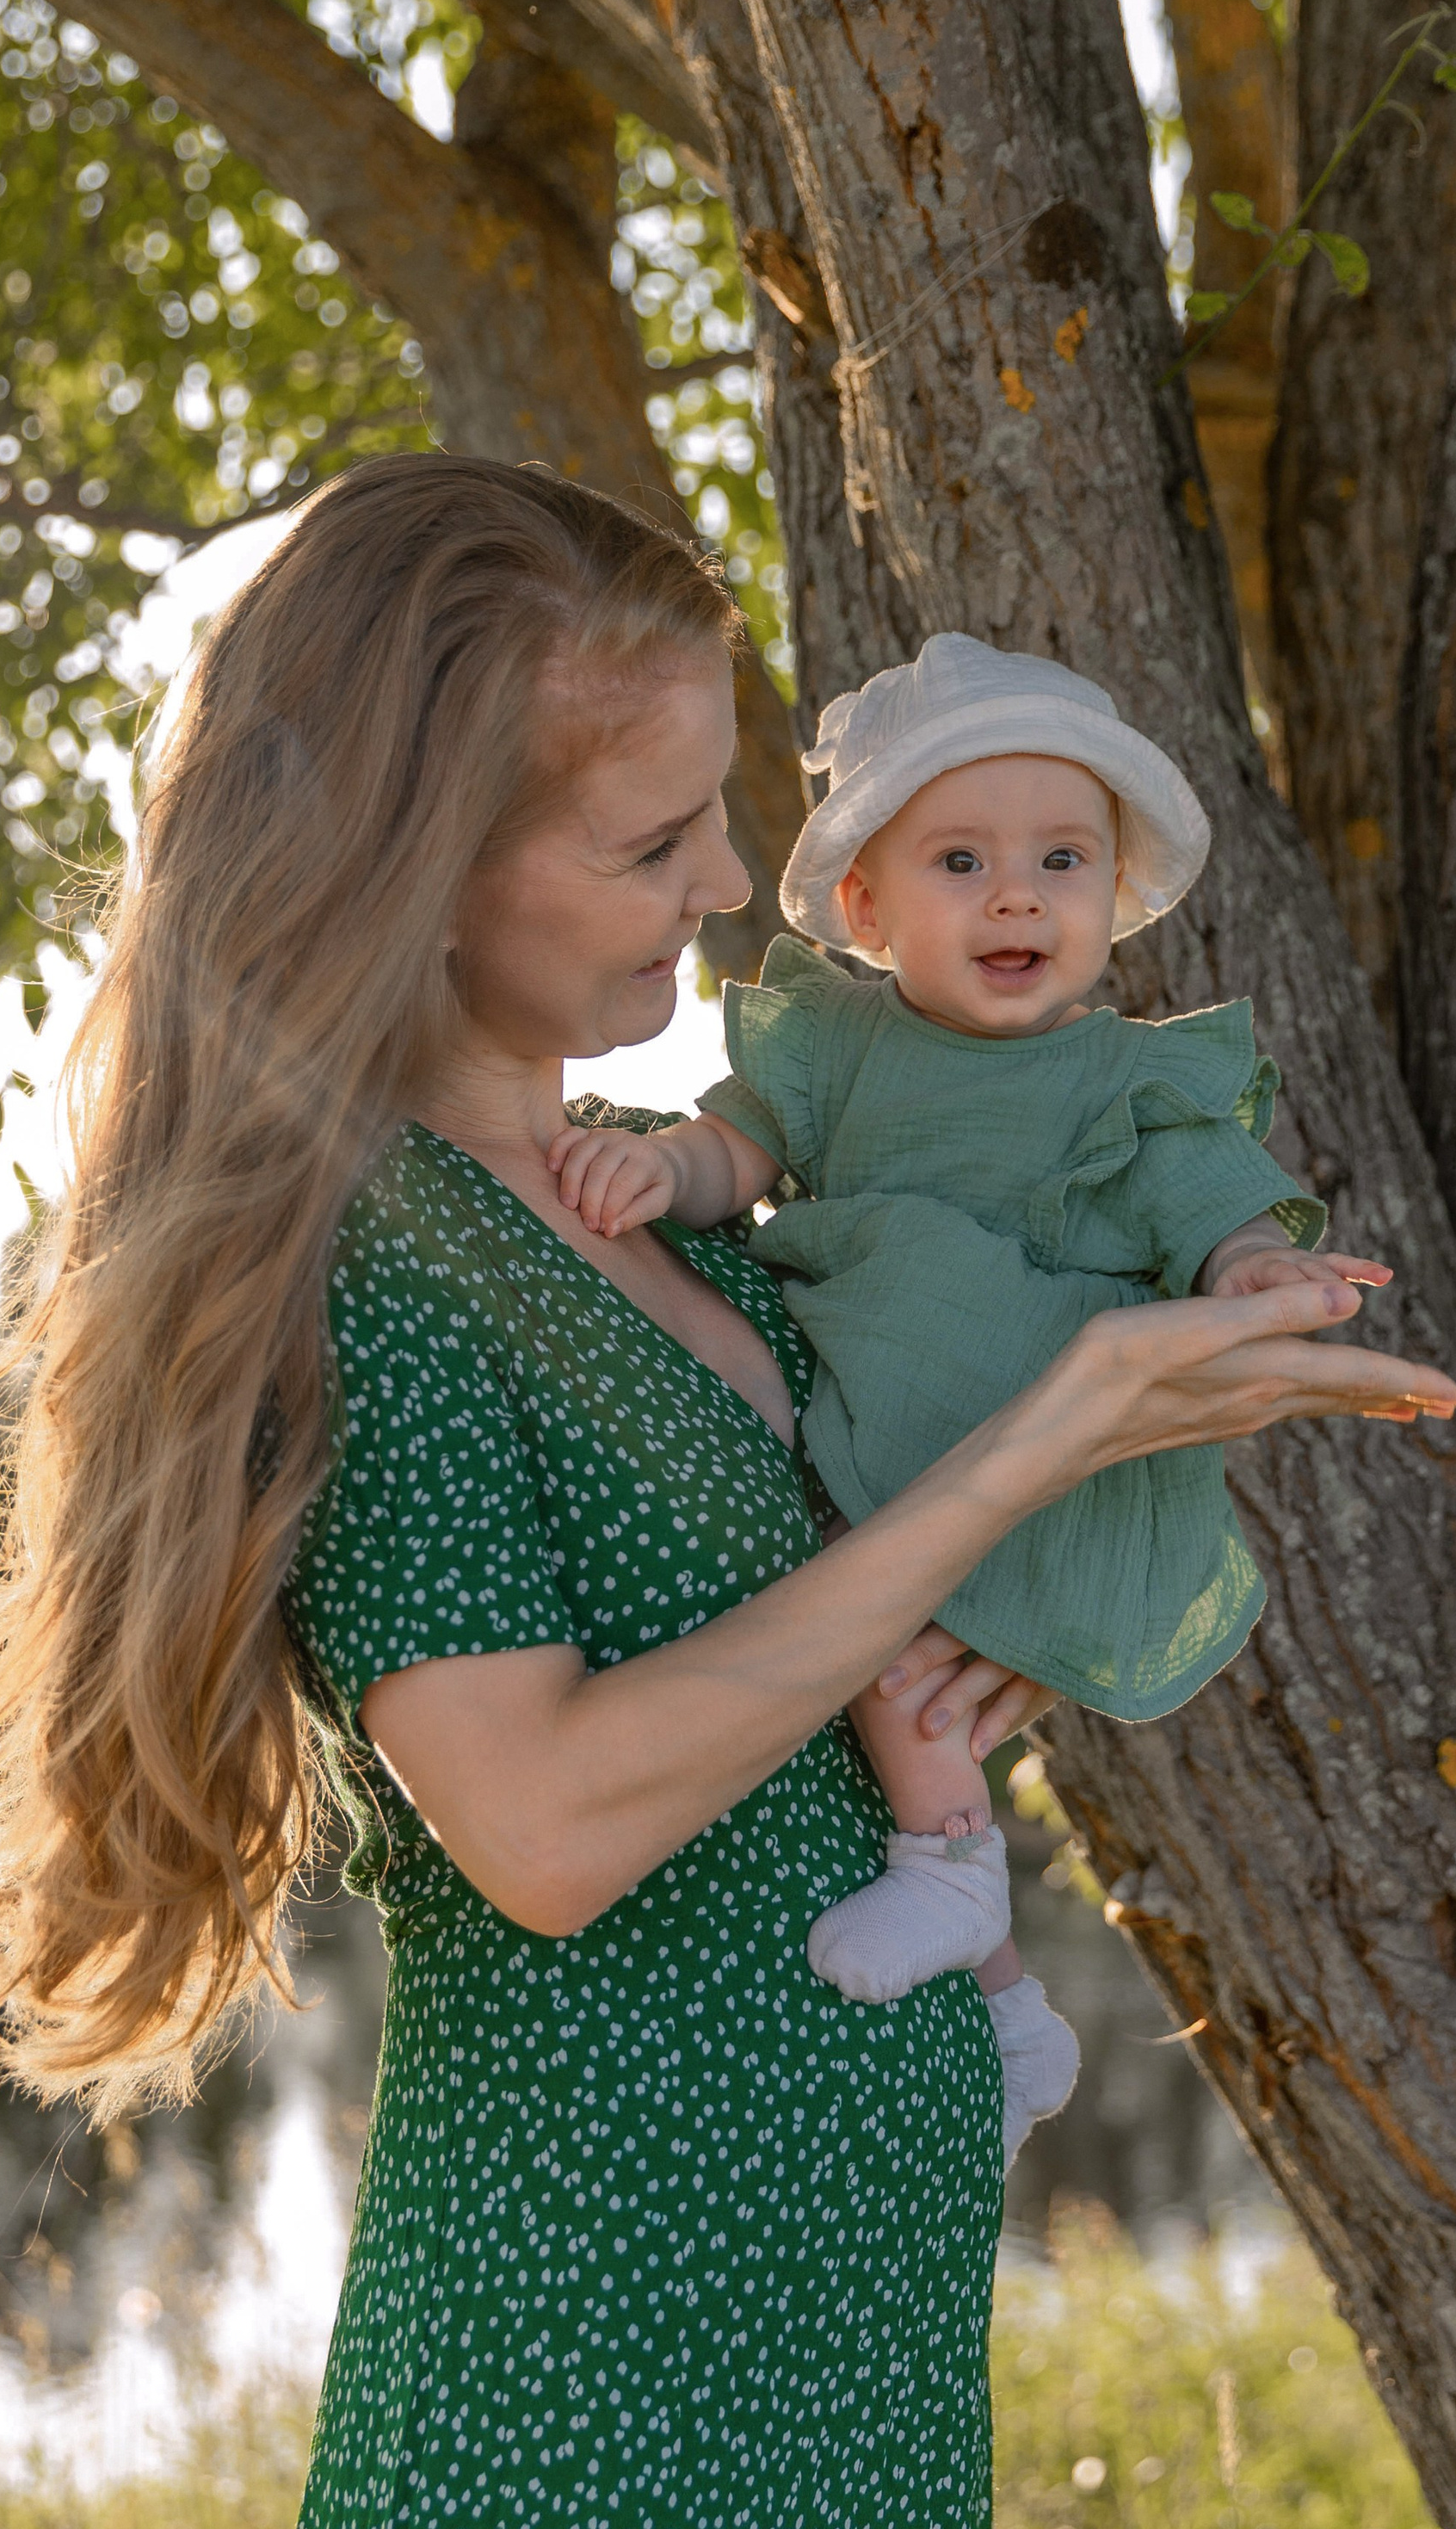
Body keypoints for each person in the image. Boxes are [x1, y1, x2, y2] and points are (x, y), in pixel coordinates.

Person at [0, 459, 1456, 2529]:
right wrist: (1023, 1454)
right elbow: (539, 1821)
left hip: (833, 2380)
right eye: (652, 844)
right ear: (420, 864)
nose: (732, 887)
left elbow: (855, 1624)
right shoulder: (382, 1271)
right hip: (593, 2420)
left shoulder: (711, 1241)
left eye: (722, 818)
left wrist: (1136, 1409)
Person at [546, 633, 1397, 2157]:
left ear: (1111, 899)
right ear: (866, 908)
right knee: (874, 1627)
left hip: (1030, 1428)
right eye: (961, 858)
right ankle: (1007, 2001)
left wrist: (1267, 1275)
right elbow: (732, 1148)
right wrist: (658, 1168)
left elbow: (1221, 1215)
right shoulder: (841, 1045)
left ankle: (953, 1881)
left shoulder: (1131, 1081)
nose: (1018, 894)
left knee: (900, 1649)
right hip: (891, 1423)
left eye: (1061, 859)